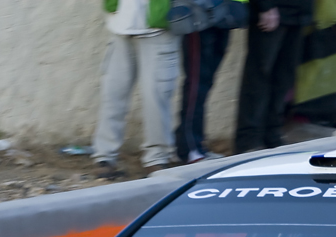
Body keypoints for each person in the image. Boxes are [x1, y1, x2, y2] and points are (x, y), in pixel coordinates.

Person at [92, 0, 179, 178]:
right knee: (113, 93)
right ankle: (105, 157)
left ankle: (157, 159)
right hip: (120, 26)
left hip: (159, 29)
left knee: (156, 98)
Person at [234, 0, 313, 153]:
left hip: (300, 12)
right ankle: (248, 141)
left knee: (283, 79)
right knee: (258, 78)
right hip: (272, 12)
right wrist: (266, 6)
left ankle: (272, 135)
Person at [174, 2, 245, 164]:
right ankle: (189, 148)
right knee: (195, 85)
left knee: (204, 84)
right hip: (198, 17)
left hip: (223, 17)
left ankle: (190, 143)